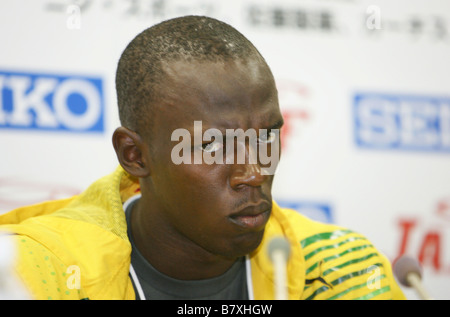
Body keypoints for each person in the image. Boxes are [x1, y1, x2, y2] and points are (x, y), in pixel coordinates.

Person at [0, 15, 405, 300]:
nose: (253, 171)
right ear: (135, 155)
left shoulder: (339, 271)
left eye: (267, 136)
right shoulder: (37, 272)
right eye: (213, 145)